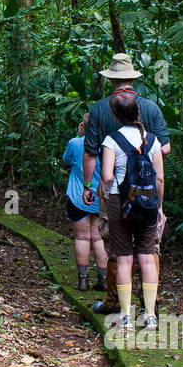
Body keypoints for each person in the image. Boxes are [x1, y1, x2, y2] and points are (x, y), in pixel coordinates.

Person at [80, 53, 171, 313]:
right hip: (148, 189)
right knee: (149, 245)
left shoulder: (99, 109)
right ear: (132, 78)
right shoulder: (151, 107)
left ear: (111, 81)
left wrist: (88, 186)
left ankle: (115, 303)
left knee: (116, 245)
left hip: (113, 191)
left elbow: (89, 152)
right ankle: (148, 306)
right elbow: (164, 149)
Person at [100, 90, 165, 332]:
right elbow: (159, 179)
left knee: (124, 258)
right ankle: (150, 316)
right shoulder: (152, 140)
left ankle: (125, 316)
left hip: (120, 203)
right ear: (137, 112)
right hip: (148, 203)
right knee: (147, 258)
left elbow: (107, 176)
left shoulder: (111, 141)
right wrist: (159, 207)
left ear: (116, 115)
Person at [62, 118, 107, 290]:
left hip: (77, 197)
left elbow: (67, 160)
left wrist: (80, 136)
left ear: (83, 126)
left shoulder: (74, 143)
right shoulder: (106, 145)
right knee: (98, 237)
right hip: (99, 198)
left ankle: (83, 280)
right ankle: (103, 280)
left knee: (81, 237)